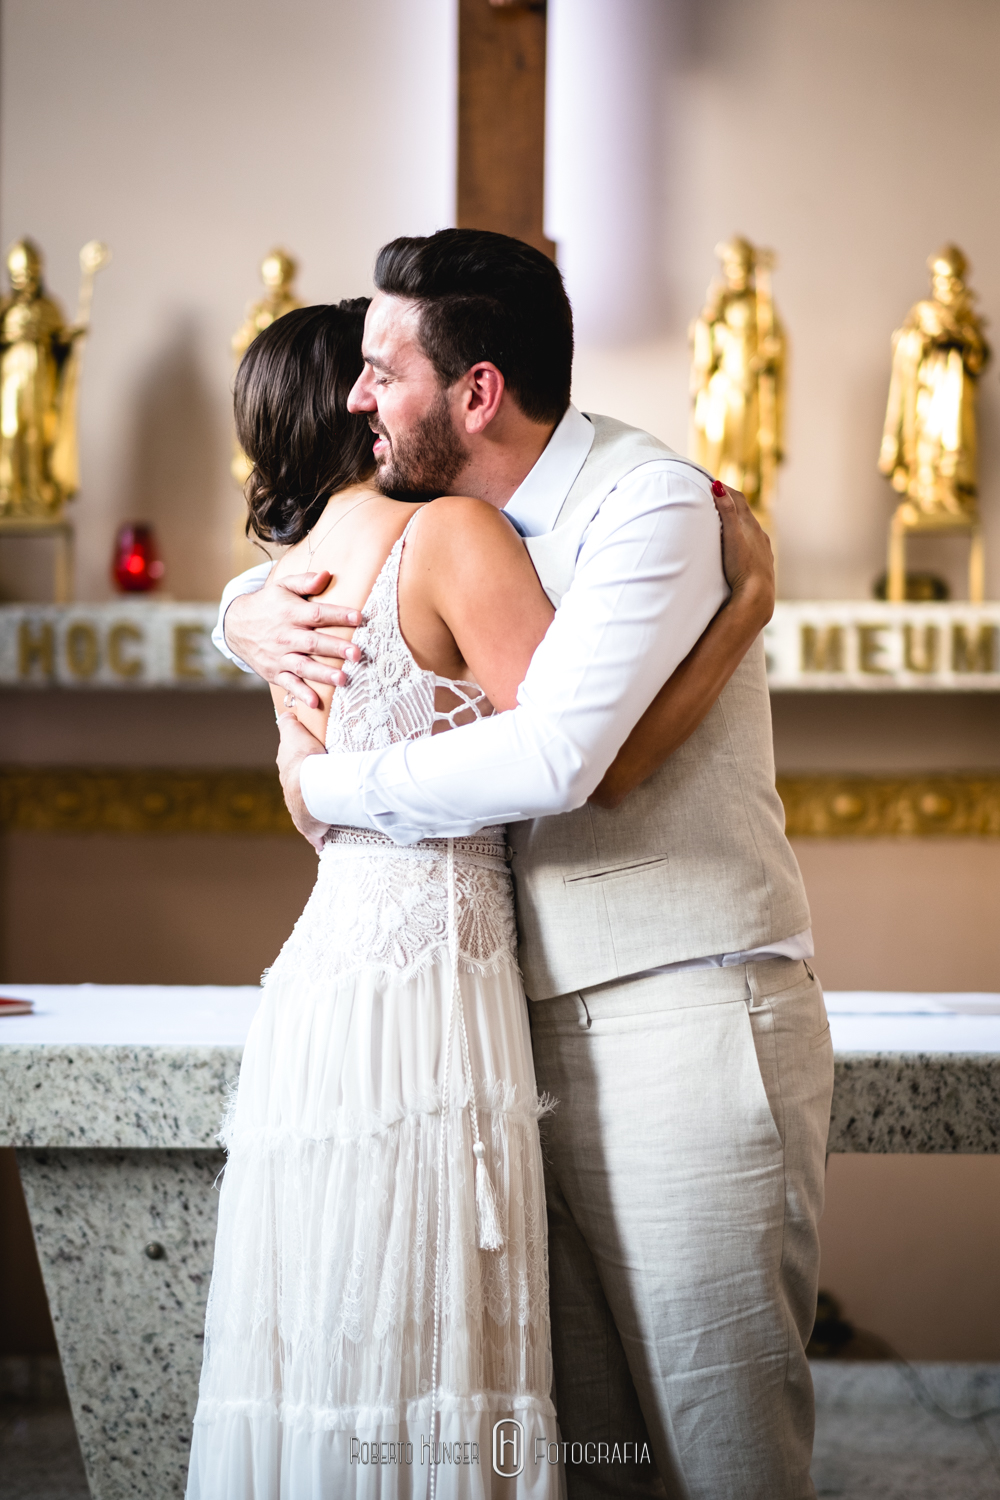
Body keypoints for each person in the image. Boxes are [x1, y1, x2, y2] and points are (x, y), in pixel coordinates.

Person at [216, 230, 833, 1500]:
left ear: (478, 391)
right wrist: (243, 611)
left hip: (682, 1001)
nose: (354, 396)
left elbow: (567, 757)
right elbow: (349, 582)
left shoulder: (649, 504)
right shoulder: (456, 524)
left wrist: (332, 788)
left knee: (725, 1453)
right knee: (583, 1451)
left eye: (383, 369)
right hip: (499, 1029)